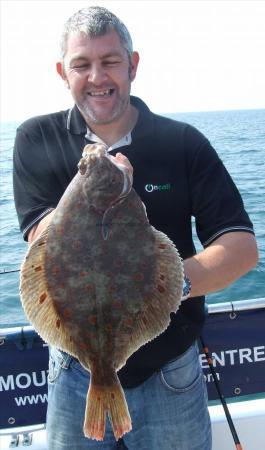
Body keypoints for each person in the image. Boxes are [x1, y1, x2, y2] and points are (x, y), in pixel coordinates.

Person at [13, 6, 258, 450]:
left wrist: (166, 288)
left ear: (133, 65)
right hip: (74, 371)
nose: (97, 76)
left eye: (110, 61)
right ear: (61, 72)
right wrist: (95, 177)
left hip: (171, 369)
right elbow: (41, 236)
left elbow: (240, 247)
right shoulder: (36, 137)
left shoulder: (183, 142)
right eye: (81, 64)